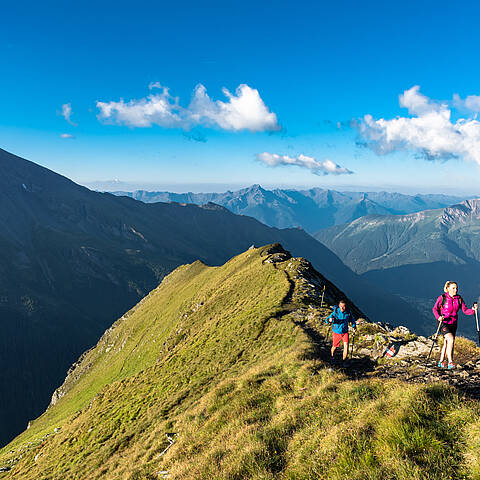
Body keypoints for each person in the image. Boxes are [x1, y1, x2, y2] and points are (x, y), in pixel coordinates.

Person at [432, 281, 477, 369]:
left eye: (456, 288)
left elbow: (465, 310)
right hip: (443, 322)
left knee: (447, 342)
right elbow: (434, 309)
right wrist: (438, 317)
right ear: (448, 289)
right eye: (453, 288)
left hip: (453, 323)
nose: (455, 290)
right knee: (451, 339)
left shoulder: (459, 299)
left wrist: (473, 310)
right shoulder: (442, 298)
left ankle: (441, 361)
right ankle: (450, 362)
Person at [325, 299, 356, 366]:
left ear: (346, 306)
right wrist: (329, 320)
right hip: (337, 332)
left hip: (345, 332)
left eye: (344, 306)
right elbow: (326, 319)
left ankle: (344, 361)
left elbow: (352, 319)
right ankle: (332, 357)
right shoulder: (335, 312)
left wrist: (354, 325)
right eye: (341, 306)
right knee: (334, 347)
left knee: (346, 347)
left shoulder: (348, 312)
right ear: (339, 306)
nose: (342, 308)